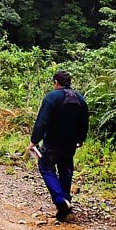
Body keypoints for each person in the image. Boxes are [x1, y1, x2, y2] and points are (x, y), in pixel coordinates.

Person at [27, 70, 89, 221]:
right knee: (66, 170)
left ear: (56, 82)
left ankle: (61, 201)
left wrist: (34, 140)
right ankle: (65, 202)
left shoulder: (52, 97)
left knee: (46, 168)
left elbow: (42, 121)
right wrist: (81, 139)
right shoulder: (81, 99)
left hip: (52, 143)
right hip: (70, 145)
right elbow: (85, 122)